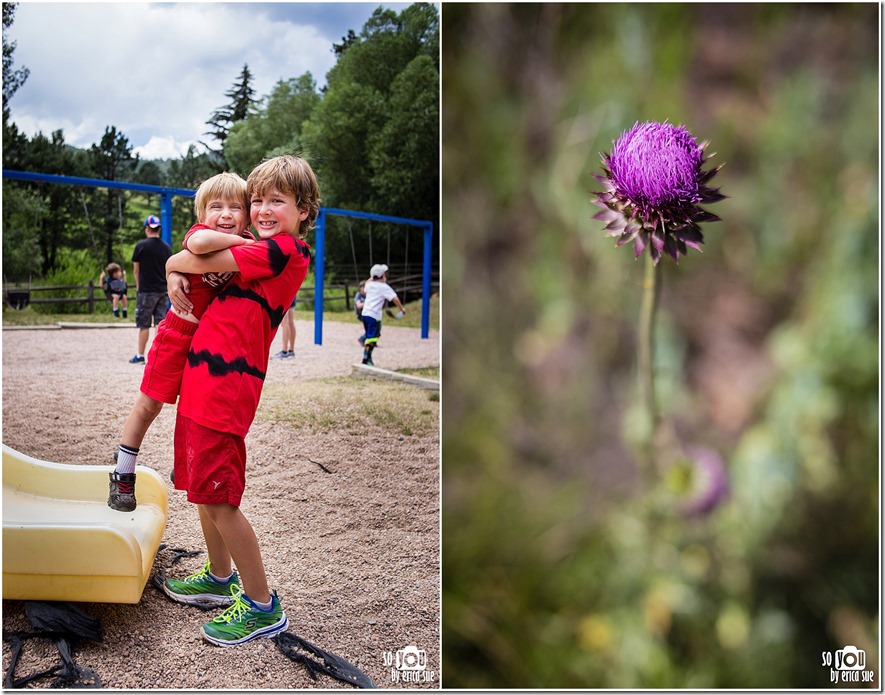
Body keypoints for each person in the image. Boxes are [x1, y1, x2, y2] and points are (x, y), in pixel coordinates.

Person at [160, 155, 319, 647]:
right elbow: (190, 260)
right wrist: (172, 267)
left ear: (304, 210)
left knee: (218, 495)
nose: (264, 209)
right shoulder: (260, 245)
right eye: (258, 200)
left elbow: (193, 256)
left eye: (278, 201)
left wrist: (171, 264)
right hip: (202, 378)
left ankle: (261, 605)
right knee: (199, 485)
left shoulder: (284, 251)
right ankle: (219, 576)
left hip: (228, 386)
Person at [108, 173, 253, 512]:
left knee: (195, 410)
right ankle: (123, 474)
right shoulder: (203, 235)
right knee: (149, 405)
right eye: (216, 207)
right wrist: (249, 245)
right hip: (177, 335)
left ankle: (188, 466)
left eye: (235, 207)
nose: (226, 214)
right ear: (202, 215)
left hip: (209, 346)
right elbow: (198, 248)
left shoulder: (246, 243)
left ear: (247, 215)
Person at [130, 215, 173, 364]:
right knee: (160, 324)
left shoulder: (141, 246)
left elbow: (136, 270)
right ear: (159, 229)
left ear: (147, 229)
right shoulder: (167, 248)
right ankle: (158, 356)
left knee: (144, 325)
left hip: (146, 291)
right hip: (163, 291)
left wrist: (138, 286)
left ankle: (140, 355)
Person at [361, 264, 405, 367]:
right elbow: (395, 298)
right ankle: (366, 358)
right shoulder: (384, 287)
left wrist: (372, 277)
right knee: (371, 338)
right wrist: (402, 309)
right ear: (382, 275)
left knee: (373, 335)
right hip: (374, 316)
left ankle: (368, 357)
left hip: (365, 314)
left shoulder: (369, 285)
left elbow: (368, 282)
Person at [354, 280, 367, 345]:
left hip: (368, 314)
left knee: (376, 327)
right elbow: (359, 306)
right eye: (363, 287)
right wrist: (368, 303)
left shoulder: (369, 295)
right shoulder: (358, 295)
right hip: (360, 314)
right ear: (360, 288)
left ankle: (372, 341)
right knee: (372, 328)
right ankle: (362, 339)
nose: (365, 289)